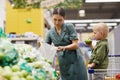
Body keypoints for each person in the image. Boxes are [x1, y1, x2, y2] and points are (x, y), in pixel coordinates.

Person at [45, 7, 88, 80]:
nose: (57, 22)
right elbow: (46, 48)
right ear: (52, 17)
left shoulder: (69, 27)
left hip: (75, 63)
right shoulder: (50, 33)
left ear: (64, 18)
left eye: (60, 20)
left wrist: (63, 48)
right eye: (55, 19)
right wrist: (41, 45)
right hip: (63, 64)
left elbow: (75, 45)